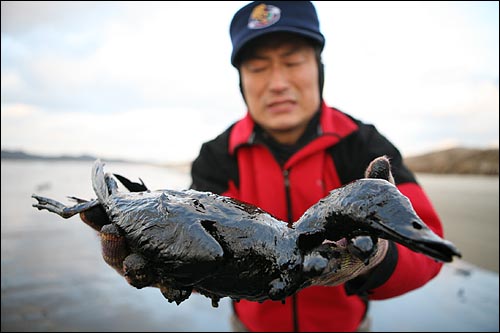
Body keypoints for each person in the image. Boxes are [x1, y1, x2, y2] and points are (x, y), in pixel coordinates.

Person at [81, 1, 445, 331]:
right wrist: (165, 266)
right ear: (241, 80)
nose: (278, 82)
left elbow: (427, 249)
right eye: (257, 67)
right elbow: (200, 257)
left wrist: (377, 257)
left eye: (292, 61)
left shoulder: (362, 144)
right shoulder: (217, 155)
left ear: (318, 68)